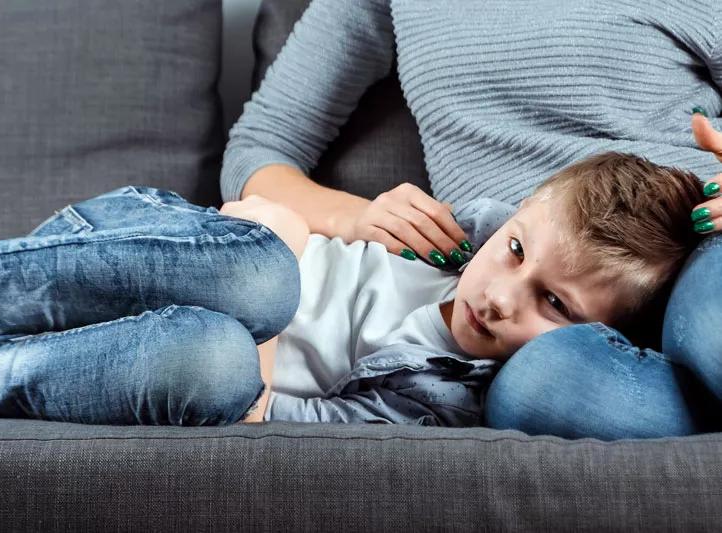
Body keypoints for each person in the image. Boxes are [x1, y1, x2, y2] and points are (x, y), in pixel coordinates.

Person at [0, 147, 712, 437]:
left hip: (159, 352)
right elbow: (249, 217)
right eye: (515, 251)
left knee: (220, 363)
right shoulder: (452, 238)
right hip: (152, 254)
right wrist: (275, 230)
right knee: (266, 269)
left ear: (595, 340)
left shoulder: (445, 397)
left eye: (556, 306)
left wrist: (263, 346)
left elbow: (298, 415)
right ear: (508, 221)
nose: (505, 294)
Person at [219, 0, 722, 438]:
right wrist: (357, 218)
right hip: (535, 318)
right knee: (546, 391)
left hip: (703, 240)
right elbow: (262, 147)